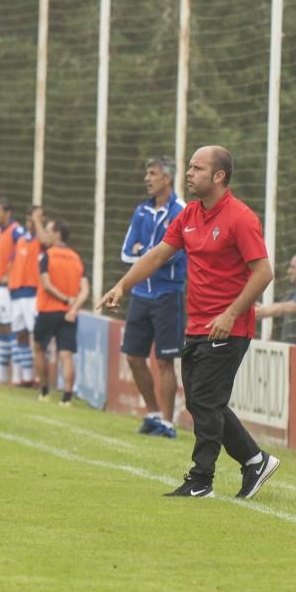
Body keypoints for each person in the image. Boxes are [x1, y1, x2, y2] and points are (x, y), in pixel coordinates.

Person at [99, 145, 280, 500]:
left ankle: (201, 479)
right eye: (189, 167)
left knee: (206, 402)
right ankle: (255, 460)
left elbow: (263, 273)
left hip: (229, 327)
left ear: (219, 176)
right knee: (200, 402)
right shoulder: (190, 215)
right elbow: (157, 255)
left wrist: (230, 313)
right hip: (196, 324)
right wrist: (123, 285)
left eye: (197, 168)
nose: (188, 174)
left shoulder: (241, 218)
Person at [120, 156, 187, 438]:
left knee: (164, 361)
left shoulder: (181, 211)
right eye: (146, 173)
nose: (147, 179)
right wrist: (153, 253)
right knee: (134, 357)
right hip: (140, 293)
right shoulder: (141, 211)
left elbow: (181, 253)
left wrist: (148, 253)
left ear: (167, 179)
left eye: (153, 174)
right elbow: (126, 252)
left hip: (168, 294)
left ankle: (169, 423)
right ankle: (153, 413)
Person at [33, 219, 89, 406]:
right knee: (66, 355)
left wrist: (65, 299)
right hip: (68, 314)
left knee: (39, 348)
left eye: (48, 231)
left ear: (58, 234)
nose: (46, 235)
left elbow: (46, 284)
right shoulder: (76, 257)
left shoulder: (46, 255)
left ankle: (44, 391)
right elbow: (85, 290)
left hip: (49, 310)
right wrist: (73, 307)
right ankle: (66, 397)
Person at [0, 198, 26, 384]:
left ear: (7, 212)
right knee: (0, 328)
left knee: (11, 329)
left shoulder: (16, 231)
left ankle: (17, 375)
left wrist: (10, 273)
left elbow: (23, 251)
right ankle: (2, 373)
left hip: (6, 288)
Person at [6, 205, 45, 387]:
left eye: (35, 219)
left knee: (36, 335)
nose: (31, 223)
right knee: (20, 334)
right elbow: (12, 262)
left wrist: (38, 221)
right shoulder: (21, 240)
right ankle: (26, 376)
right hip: (17, 293)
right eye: (29, 219)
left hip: (32, 294)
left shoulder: (43, 240)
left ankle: (40, 377)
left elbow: (45, 240)